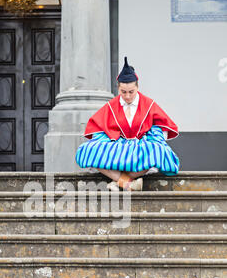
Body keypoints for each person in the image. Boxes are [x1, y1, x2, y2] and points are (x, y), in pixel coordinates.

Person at [75, 57, 180, 191]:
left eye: (131, 92)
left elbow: (161, 131)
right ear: (118, 88)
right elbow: (99, 131)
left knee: (157, 150)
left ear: (137, 87)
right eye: (123, 92)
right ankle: (127, 183)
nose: (128, 96)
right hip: (119, 146)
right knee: (89, 150)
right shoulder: (111, 106)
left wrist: (150, 141)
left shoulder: (149, 104)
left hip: (140, 146)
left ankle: (118, 182)